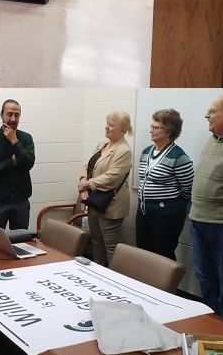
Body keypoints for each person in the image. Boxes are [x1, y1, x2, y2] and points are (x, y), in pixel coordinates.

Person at [135, 109, 193, 260]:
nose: (150, 130)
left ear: (169, 131)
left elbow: (188, 189)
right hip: (143, 211)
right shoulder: (147, 151)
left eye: (155, 127)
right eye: (151, 126)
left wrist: (169, 206)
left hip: (166, 216)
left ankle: (162, 284)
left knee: (162, 255)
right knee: (142, 253)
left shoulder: (179, 157)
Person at [78, 111, 133, 267]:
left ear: (123, 130)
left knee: (110, 245)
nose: (107, 127)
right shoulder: (101, 144)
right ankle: (97, 270)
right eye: (107, 123)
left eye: (111, 125)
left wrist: (87, 184)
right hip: (94, 201)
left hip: (111, 205)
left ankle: (113, 278)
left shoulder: (124, 151)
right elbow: (87, 165)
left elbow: (112, 178)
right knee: (95, 241)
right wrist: (83, 181)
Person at [189, 95, 223, 316]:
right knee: (205, 278)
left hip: (219, 225)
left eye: (212, 112)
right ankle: (212, 327)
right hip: (198, 221)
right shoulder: (213, 138)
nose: (206, 116)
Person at [0, 100, 35, 230]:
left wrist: (14, 141)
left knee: (21, 242)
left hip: (21, 201)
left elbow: (29, 163)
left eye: (17, 115)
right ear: (1, 115)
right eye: (9, 114)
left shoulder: (26, 138)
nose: (13, 119)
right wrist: (11, 162)